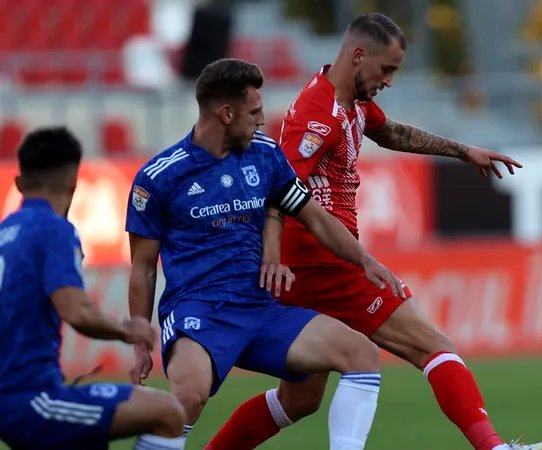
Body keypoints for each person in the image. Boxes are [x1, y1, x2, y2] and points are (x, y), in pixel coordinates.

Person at [209, 12, 542, 450]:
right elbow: (277, 189)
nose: (389, 81)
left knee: (300, 399)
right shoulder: (316, 115)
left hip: (308, 264)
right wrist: (273, 255)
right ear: (359, 56)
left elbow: (392, 132)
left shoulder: (352, 102)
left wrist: (462, 151)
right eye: (387, 69)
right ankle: (494, 448)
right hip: (324, 261)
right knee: (433, 345)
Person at [126, 58, 407, 450]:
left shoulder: (265, 155)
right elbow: (142, 269)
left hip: (261, 309)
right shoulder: (159, 178)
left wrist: (366, 260)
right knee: (188, 397)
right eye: (254, 112)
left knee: (360, 353)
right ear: (226, 114)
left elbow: (316, 218)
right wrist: (140, 342)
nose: (262, 121)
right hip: (199, 311)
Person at [0, 127, 186, 450]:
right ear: (74, 182)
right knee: (167, 413)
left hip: (14, 398)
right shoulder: (55, 229)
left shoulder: (5, 232)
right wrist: (125, 330)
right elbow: (76, 310)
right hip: (30, 400)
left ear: (19, 183)